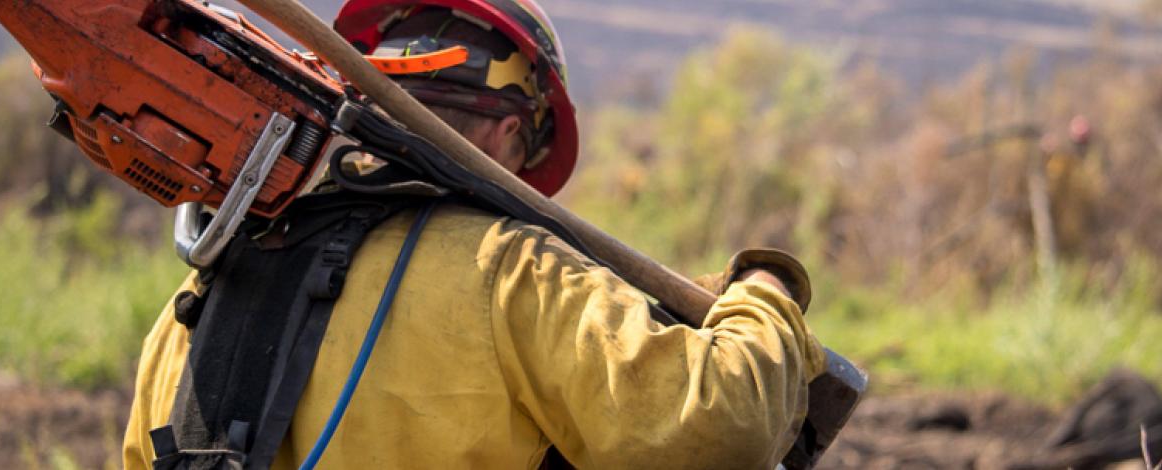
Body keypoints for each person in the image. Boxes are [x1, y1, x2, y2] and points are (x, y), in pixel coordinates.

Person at [122, 1, 825, 468]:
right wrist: (766, 290)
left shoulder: (208, 281)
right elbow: (721, 425)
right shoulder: (515, 271)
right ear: (516, 135)